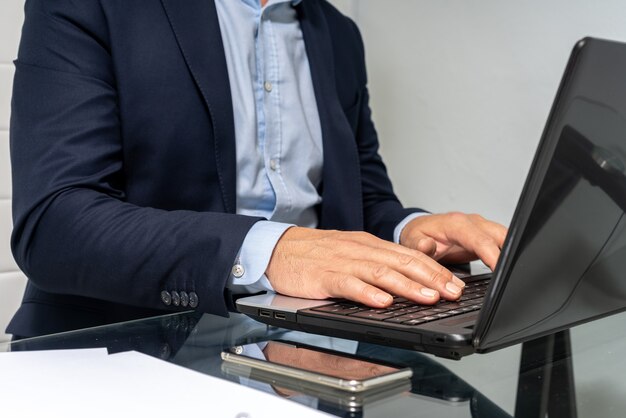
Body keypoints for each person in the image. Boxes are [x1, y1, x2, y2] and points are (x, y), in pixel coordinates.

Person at [7, 0, 506, 339]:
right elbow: (55, 224)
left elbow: (363, 197)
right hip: (125, 354)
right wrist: (273, 250)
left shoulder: (339, 33)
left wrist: (409, 230)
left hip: (308, 351)